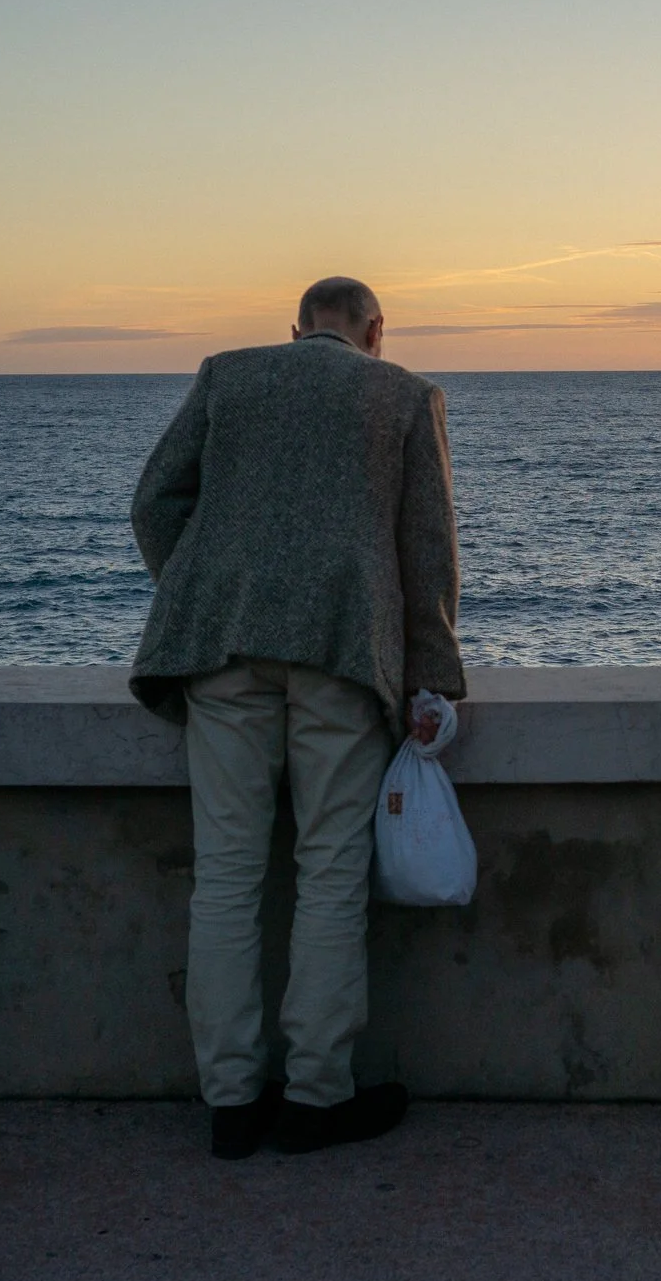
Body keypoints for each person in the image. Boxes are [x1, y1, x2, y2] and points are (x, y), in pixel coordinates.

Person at [129, 276, 465, 1160]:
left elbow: (154, 503)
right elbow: (427, 552)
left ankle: (231, 1101)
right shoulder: (404, 395)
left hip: (224, 651)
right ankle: (316, 1096)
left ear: (295, 328)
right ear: (376, 330)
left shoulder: (227, 374)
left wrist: (203, 594)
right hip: (339, 653)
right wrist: (433, 679)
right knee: (330, 875)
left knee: (225, 878)